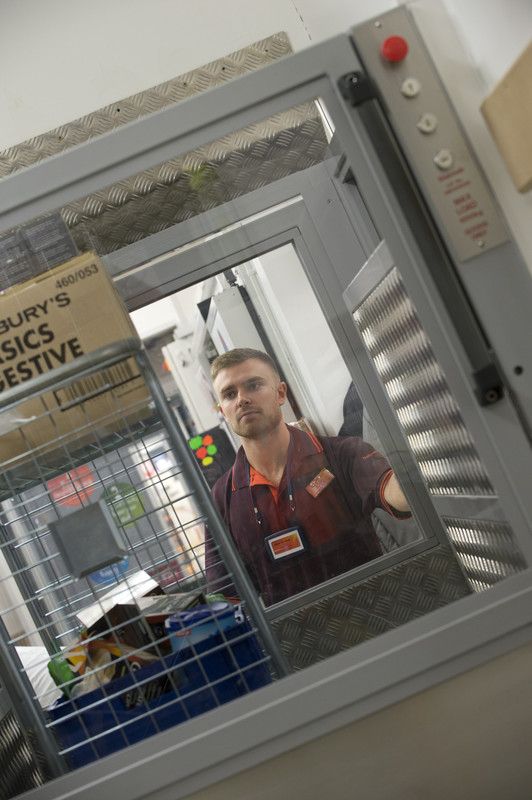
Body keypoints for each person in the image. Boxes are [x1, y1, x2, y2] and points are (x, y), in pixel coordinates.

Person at [205, 348, 410, 606]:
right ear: (223, 411)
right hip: (297, 641)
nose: (242, 399)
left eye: (253, 385)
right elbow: (225, 597)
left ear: (281, 393)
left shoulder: (341, 454)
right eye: (229, 394)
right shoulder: (222, 499)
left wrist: (416, 468)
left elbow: (395, 492)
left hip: (380, 612)